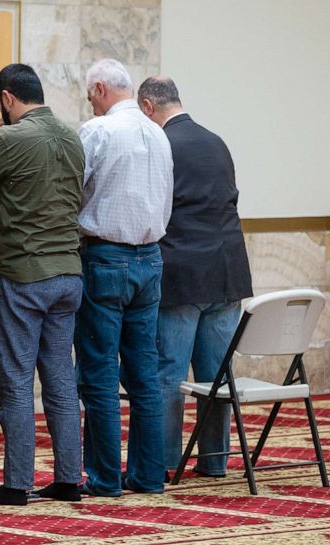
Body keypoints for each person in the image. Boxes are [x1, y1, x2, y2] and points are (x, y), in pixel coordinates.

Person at [0, 64, 86, 505]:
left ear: (6, 98)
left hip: (23, 274)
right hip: (68, 274)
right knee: (60, 378)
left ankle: (17, 482)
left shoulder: (7, 138)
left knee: (14, 380)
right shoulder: (73, 137)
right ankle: (67, 478)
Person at [138, 76, 253, 478]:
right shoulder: (216, 141)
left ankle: (166, 462)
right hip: (226, 272)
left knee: (168, 373)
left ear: (149, 107)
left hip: (182, 275)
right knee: (215, 375)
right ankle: (214, 461)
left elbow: (154, 209)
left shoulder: (161, 144)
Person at [75, 59, 173, 496]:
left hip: (106, 258)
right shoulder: (159, 133)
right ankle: (149, 476)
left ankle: (104, 478)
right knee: (144, 374)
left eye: (89, 96)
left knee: (98, 371)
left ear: (99, 89)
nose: (90, 105)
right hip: (151, 259)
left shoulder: (97, 132)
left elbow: (73, 190)